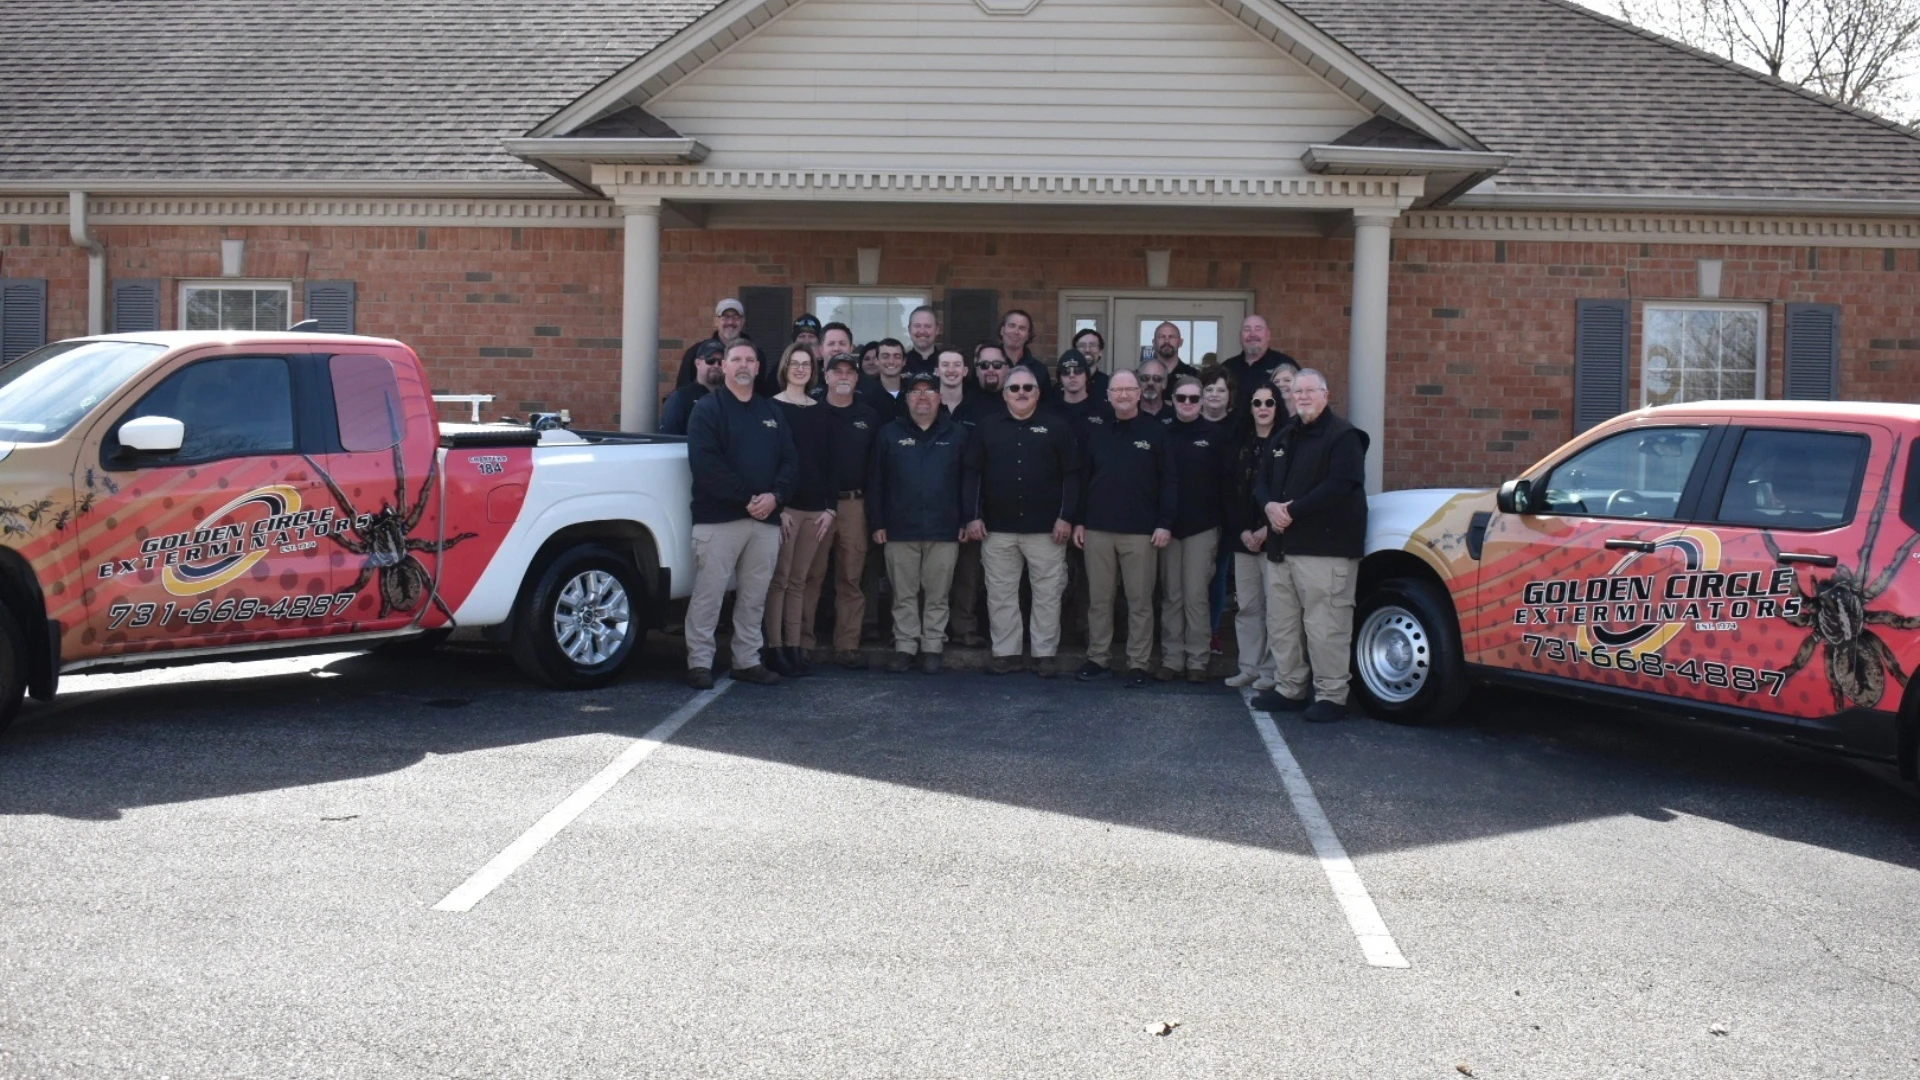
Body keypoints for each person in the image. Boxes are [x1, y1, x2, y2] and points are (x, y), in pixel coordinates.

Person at [1252, 368, 1369, 723]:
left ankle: (1333, 695)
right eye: (1297, 392)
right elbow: (1260, 479)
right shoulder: (1285, 435)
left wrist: (1292, 511)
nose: (1301, 397)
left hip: (1325, 550)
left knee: (1326, 625)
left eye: (1309, 391)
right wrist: (1269, 506)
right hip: (1282, 548)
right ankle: (1290, 688)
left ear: (1325, 394)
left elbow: (1341, 484)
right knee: (1282, 623)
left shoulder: (1344, 436)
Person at [682, 340, 797, 689]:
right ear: (725, 366)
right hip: (719, 520)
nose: (744, 365)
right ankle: (699, 663)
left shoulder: (771, 411)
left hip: (765, 521)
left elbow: (790, 461)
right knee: (709, 593)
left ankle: (747, 660)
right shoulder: (707, 409)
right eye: (736, 359)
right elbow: (706, 464)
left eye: (750, 359)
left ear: (758, 368)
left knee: (754, 595)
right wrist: (747, 498)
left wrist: (775, 497)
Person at [962, 367, 1079, 677]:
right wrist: (972, 516)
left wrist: (1066, 517)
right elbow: (972, 474)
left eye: (1028, 387)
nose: (1022, 392)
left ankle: (1044, 654)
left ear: (1038, 393)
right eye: (1015, 388)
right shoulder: (986, 428)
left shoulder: (1058, 427)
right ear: (1005, 394)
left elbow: (1072, 475)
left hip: (1047, 530)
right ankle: (1006, 652)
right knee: (1000, 593)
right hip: (997, 529)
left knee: (1048, 592)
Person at [1073, 371, 1176, 689]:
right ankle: (1098, 658)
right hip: (1098, 529)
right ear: (1109, 395)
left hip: (1141, 531)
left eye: (1128, 389)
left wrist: (1164, 522)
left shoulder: (1157, 433)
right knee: (1100, 599)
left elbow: (1169, 481)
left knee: (1140, 601)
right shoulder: (1097, 433)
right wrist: (1079, 520)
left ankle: (1138, 663)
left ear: (1138, 393)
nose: (1123, 394)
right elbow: (1082, 479)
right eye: (1116, 389)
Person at [868, 371, 969, 674]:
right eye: (915, 391)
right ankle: (905, 645)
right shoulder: (889, 434)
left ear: (940, 397)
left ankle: (933, 646)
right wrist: (877, 522)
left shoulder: (957, 434)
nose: (922, 396)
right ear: (907, 397)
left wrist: (966, 519)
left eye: (929, 391)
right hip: (899, 527)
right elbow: (876, 482)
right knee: (903, 593)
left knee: (938, 593)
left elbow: (967, 482)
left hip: (945, 527)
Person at [761, 344, 836, 678]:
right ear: (785, 367)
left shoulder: (822, 411)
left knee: (799, 581)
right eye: (795, 363)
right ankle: (774, 648)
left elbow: (830, 463)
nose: (800, 369)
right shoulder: (771, 409)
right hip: (786, 508)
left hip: (816, 510)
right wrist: (778, 506)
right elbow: (767, 462)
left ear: (813, 370)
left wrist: (831, 509)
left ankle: (794, 647)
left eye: (806, 364)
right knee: (779, 580)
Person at [1157, 376, 1229, 683]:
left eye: (1193, 398)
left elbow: (1226, 483)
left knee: (1196, 594)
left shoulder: (1216, 436)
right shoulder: (1161, 434)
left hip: (1202, 527)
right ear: (1172, 400)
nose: (1187, 403)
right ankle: (1172, 658)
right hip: (1168, 529)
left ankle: (1197, 660)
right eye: (1182, 398)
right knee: (1172, 594)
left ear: (1202, 402)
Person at [811, 351, 881, 668]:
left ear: (856, 378)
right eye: (836, 371)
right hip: (814, 505)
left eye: (849, 372)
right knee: (809, 576)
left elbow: (877, 468)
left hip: (854, 504)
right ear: (825, 376)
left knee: (851, 578)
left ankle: (847, 644)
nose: (842, 376)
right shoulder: (810, 413)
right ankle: (801, 642)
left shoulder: (869, 416)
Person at [944, 343, 1007, 647]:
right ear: (976, 370)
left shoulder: (1003, 407)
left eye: (997, 366)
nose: (991, 371)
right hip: (940, 498)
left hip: (983, 500)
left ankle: (966, 627)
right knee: (937, 573)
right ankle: (936, 629)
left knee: (971, 573)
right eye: (985, 366)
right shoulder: (960, 406)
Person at [1223, 383, 1284, 690]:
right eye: (1257, 402)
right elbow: (1230, 493)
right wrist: (1244, 531)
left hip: (1274, 538)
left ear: (1277, 407)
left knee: (1276, 608)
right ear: (1250, 407)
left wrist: (1265, 530)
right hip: (1243, 539)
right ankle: (1248, 666)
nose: (1263, 407)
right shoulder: (1241, 443)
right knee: (1248, 607)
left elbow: (1287, 494)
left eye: (1269, 402)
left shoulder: (1285, 442)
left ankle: (1270, 672)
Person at [1049, 350, 1107, 647]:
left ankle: (1085, 630)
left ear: (1087, 375)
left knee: (1089, 575)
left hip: (1094, 498)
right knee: (1052, 574)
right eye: (1066, 371)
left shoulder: (1102, 411)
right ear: (1059, 377)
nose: (1072, 376)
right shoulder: (1048, 409)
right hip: (1054, 499)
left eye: (1078, 371)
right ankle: (1052, 631)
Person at [676, 298, 758, 388]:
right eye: (725, 317)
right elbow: (682, 390)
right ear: (716, 321)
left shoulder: (756, 354)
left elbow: (760, 391)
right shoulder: (696, 352)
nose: (730, 322)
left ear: (742, 321)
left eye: (736, 317)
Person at [1221, 314, 1300, 401]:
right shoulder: (1227, 367)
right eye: (1247, 329)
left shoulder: (1285, 364)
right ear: (1240, 336)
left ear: (1268, 335)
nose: (1252, 334)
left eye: (1258, 329)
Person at [660, 337, 725, 435]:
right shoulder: (679, 398)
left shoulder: (729, 399)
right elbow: (667, 442)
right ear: (697, 363)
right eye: (710, 360)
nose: (716, 365)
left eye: (720, 362)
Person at [997, 310, 1052, 395]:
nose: (1016, 332)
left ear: (1028, 335)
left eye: (1022, 328)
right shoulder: (986, 364)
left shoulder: (1040, 369)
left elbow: (1046, 404)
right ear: (1002, 330)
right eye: (1012, 326)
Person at [859, 338, 908, 423]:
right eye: (885, 356)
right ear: (877, 361)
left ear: (904, 361)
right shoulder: (866, 397)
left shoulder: (913, 393)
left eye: (897, 356)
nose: (891, 361)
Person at [810, 322, 857, 399]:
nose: (836, 348)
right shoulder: (808, 381)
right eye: (831, 344)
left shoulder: (867, 386)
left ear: (851, 348)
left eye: (842, 343)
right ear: (821, 350)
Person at [1065, 331, 1111, 401]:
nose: (1087, 350)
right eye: (1082, 345)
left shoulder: (1110, 385)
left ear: (1100, 352)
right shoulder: (1064, 385)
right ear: (1074, 352)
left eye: (1092, 345)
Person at [905, 305, 941, 375]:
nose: (922, 331)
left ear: (937, 330)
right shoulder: (899, 364)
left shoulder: (949, 365)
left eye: (927, 326)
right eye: (917, 326)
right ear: (909, 330)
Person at [935, 347, 971, 416]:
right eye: (945, 365)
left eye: (957, 365)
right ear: (937, 371)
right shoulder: (927, 405)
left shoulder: (979, 406)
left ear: (965, 371)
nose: (951, 370)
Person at [1136, 358, 1171, 422]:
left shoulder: (1175, 415)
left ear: (1164, 383)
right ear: (1138, 382)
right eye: (1145, 378)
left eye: (1157, 379)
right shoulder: (1129, 414)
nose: (1150, 383)